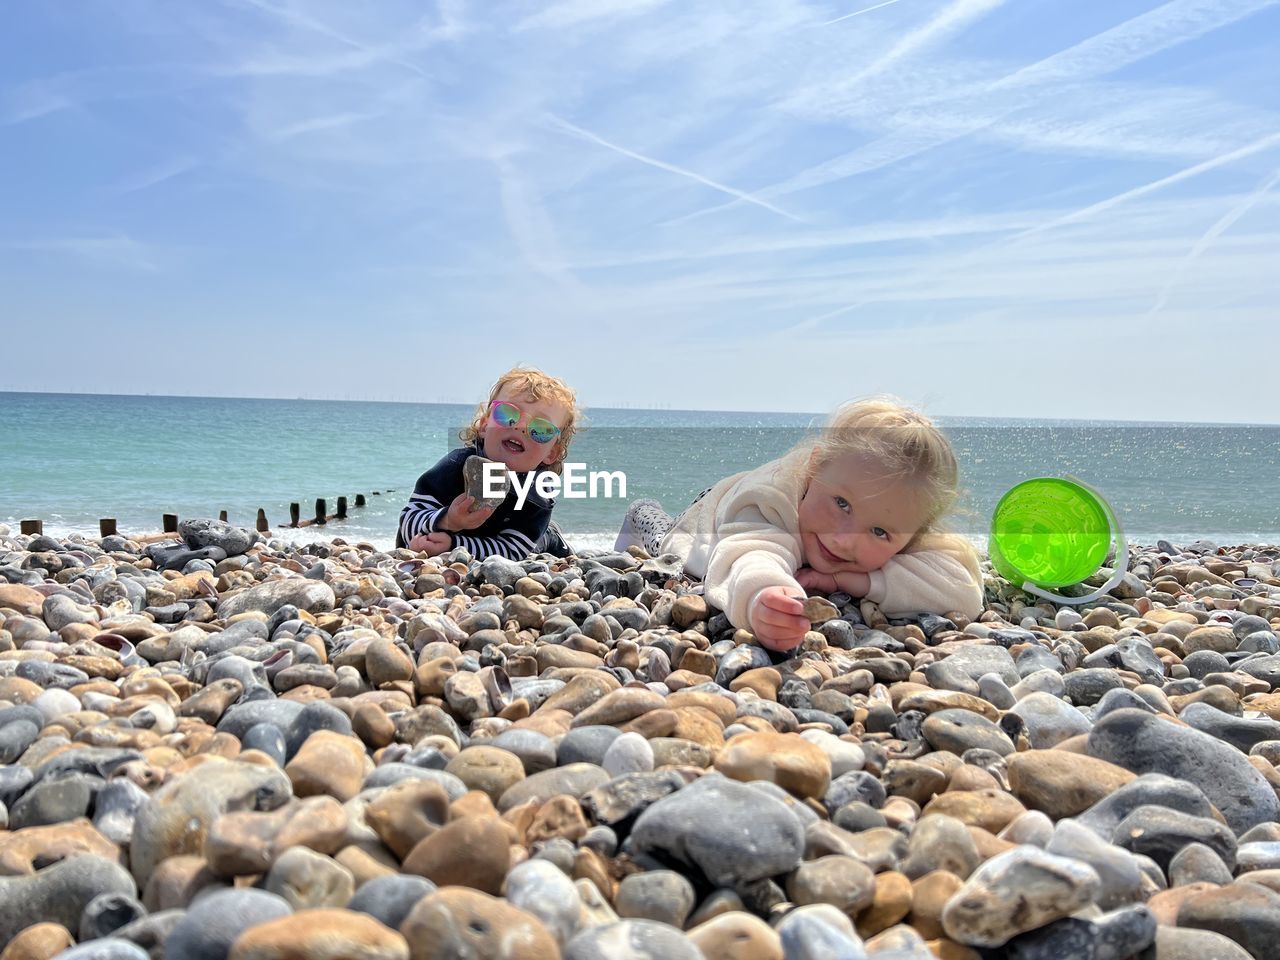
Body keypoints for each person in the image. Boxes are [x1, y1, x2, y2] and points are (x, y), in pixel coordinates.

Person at [614, 398, 983, 651]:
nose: (842, 540)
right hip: (707, 515)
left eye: (879, 532)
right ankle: (640, 509)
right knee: (656, 535)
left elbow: (962, 590)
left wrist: (850, 581)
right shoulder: (769, 501)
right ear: (814, 468)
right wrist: (764, 597)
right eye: (841, 504)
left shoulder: (901, 513)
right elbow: (751, 553)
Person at [398, 367, 579, 559]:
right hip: (447, 534)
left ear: (551, 453)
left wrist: (454, 546)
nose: (520, 427)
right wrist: (448, 521)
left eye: (541, 429)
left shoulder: (537, 493)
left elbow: (513, 551)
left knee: (537, 545)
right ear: (484, 425)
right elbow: (408, 520)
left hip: (508, 540)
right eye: (508, 413)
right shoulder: (456, 466)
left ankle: (551, 536)